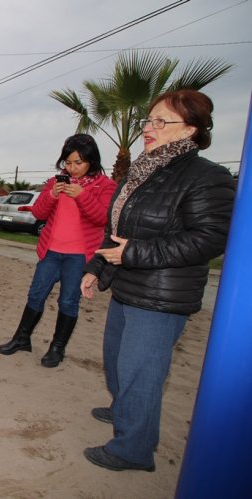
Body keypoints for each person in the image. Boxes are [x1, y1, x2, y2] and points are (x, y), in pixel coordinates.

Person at [80, 90, 235, 472]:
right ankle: (124, 410)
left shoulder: (206, 176)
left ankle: (132, 450)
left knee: (141, 371)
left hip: (162, 296)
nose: (148, 129)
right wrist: (95, 268)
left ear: (191, 130)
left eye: (160, 122)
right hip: (127, 285)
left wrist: (134, 254)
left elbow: (210, 238)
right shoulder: (142, 170)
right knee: (117, 363)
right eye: (147, 121)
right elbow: (117, 229)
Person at [0, 134, 116, 367]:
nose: (72, 168)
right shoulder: (55, 182)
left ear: (91, 161)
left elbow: (102, 218)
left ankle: (57, 348)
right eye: (68, 163)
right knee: (36, 295)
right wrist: (52, 194)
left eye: (78, 163)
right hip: (51, 252)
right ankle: (22, 338)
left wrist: (82, 196)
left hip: (80, 256)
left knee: (68, 302)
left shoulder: (105, 186)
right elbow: (39, 213)